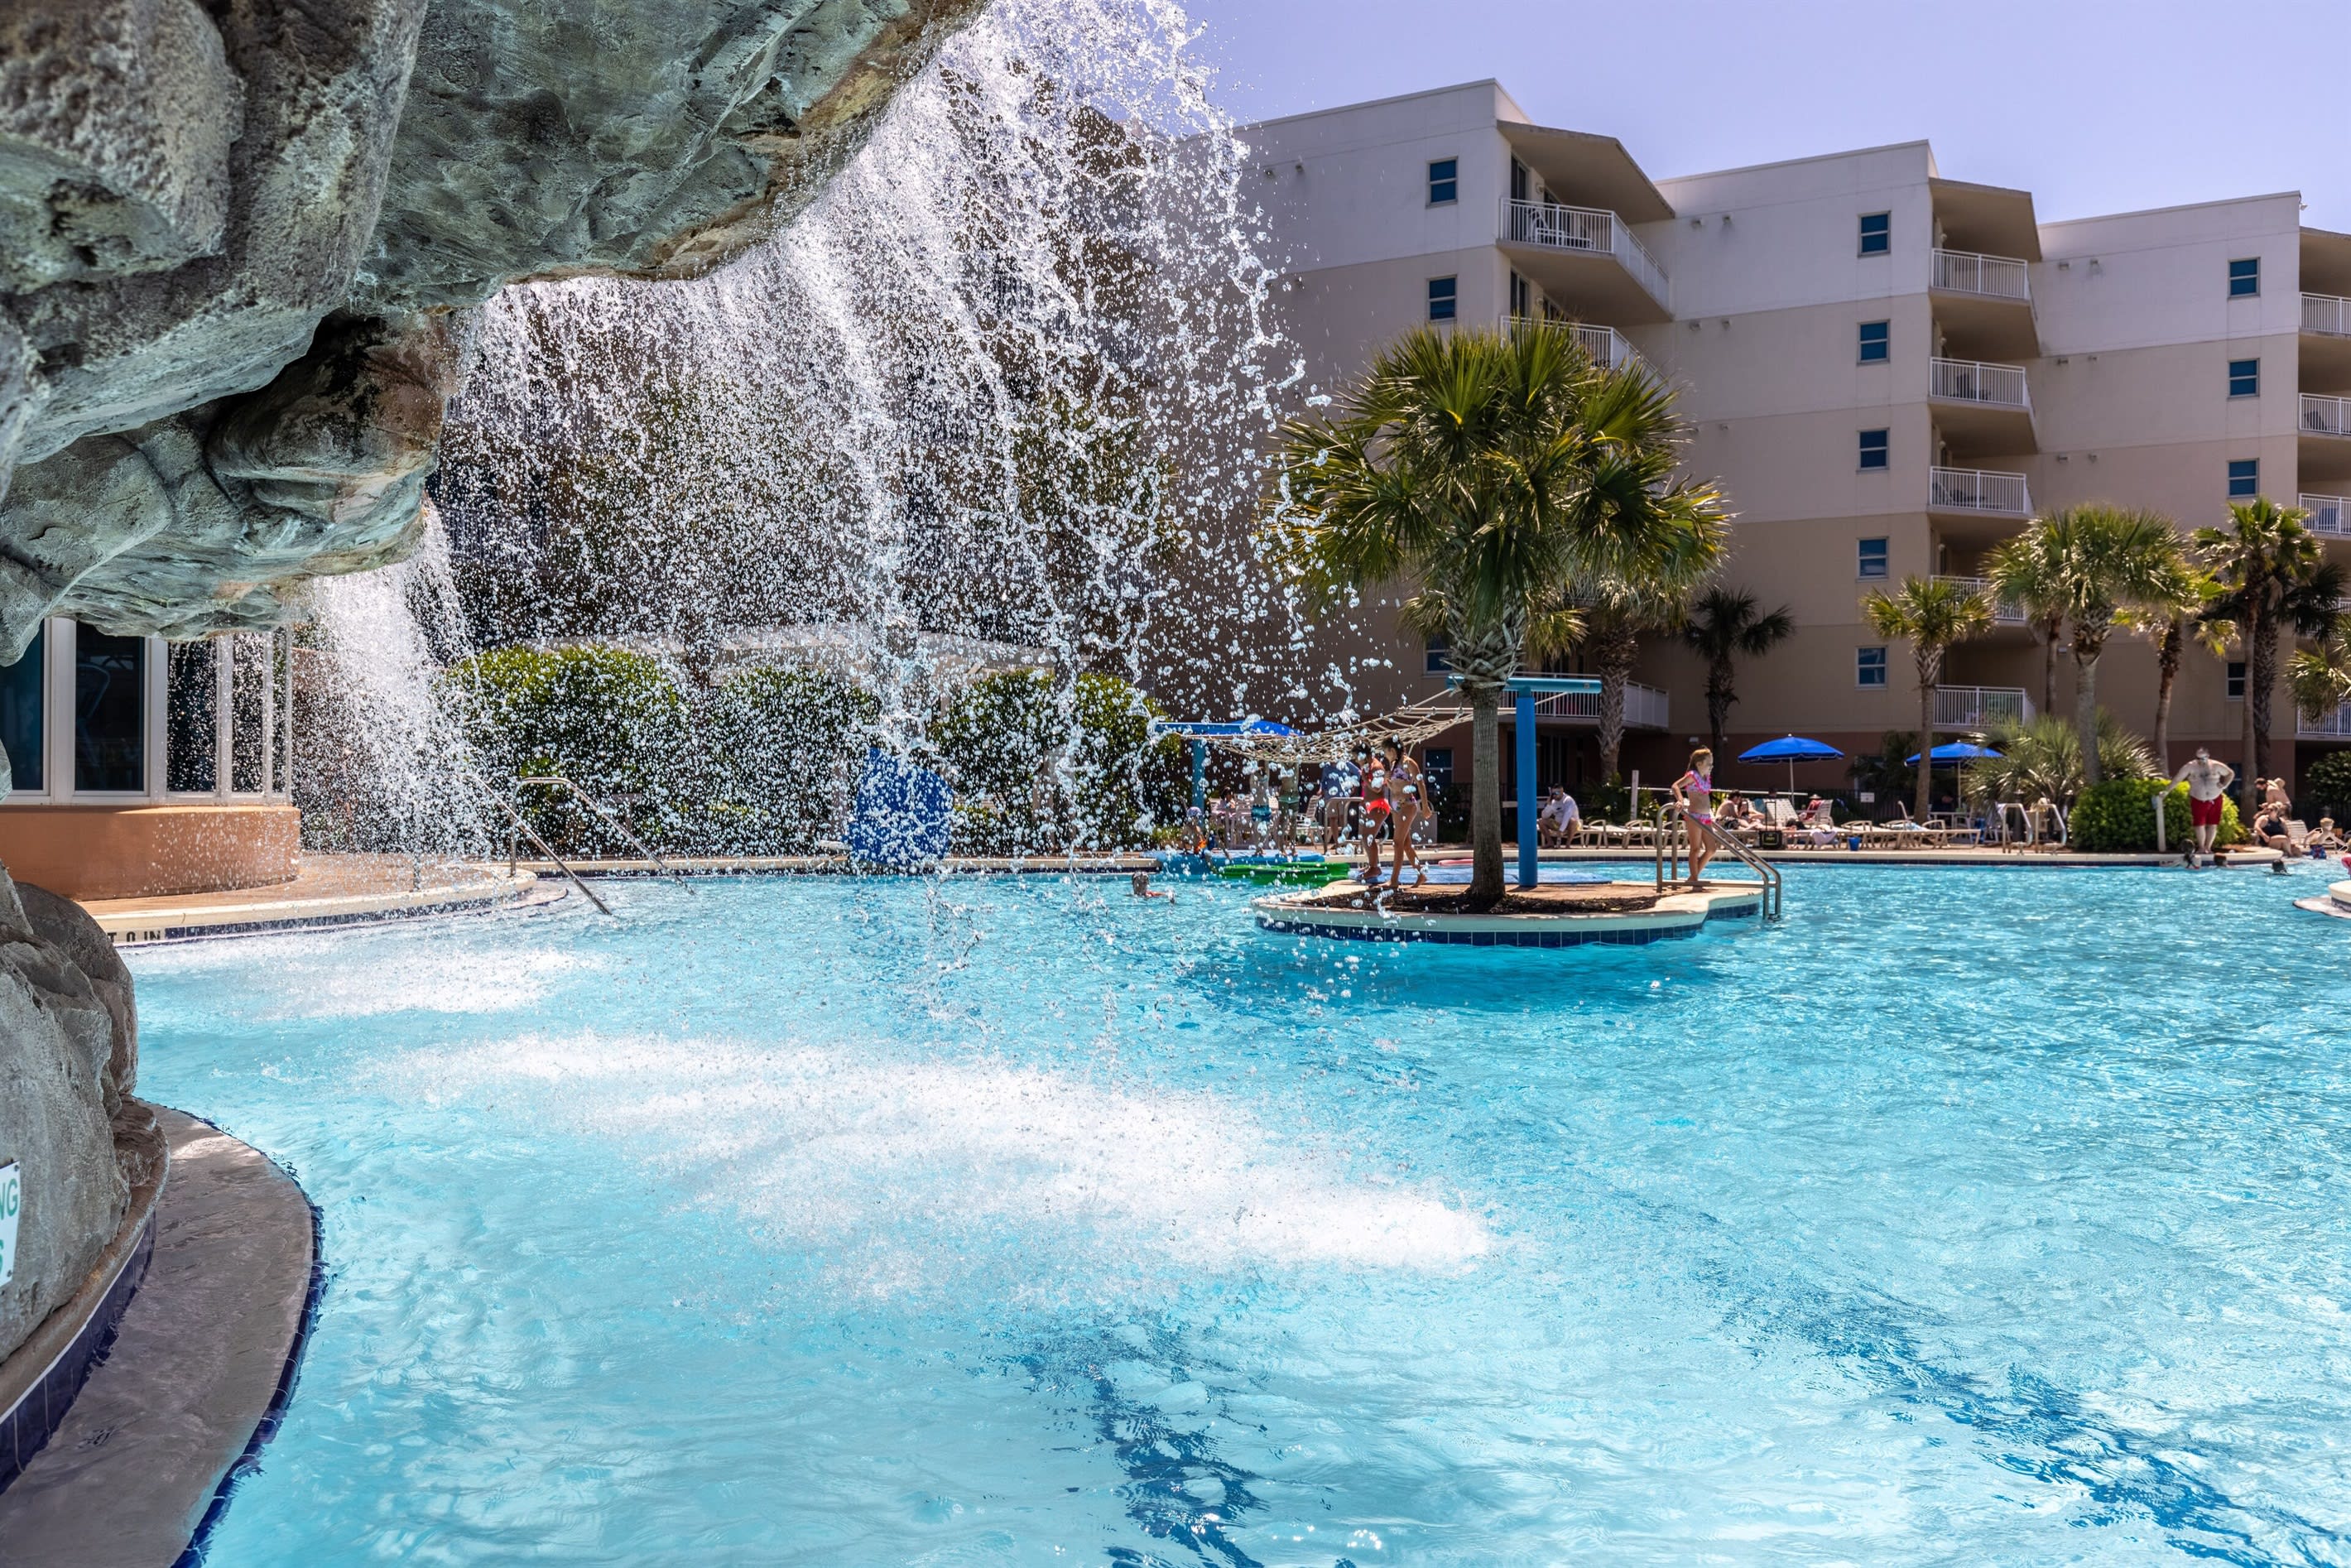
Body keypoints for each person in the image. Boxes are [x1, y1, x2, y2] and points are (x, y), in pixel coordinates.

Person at [2172, 748, 2237, 864]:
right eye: (2198, 758)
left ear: (2208, 756)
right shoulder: (2190, 766)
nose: (2201, 761)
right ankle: (2202, 847)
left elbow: (2230, 773)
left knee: (2213, 824)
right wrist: (2166, 791)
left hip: (2215, 798)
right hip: (2198, 799)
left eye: (2203, 758)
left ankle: (2208, 847)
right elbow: (2177, 779)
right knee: (2199, 824)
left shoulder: (2216, 765)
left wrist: (2224, 784)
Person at [1671, 746, 1719, 888]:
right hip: (1694, 817)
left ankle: (1692, 878)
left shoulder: (1706, 777)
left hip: (1706, 817)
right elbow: (1675, 786)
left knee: (1711, 849)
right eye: (1709, 764)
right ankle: (1695, 881)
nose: (1711, 766)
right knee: (1695, 849)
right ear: (1699, 764)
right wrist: (1680, 800)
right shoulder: (1692, 775)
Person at [1386, 742, 1427, 886]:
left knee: (1397, 843)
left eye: (1385, 752)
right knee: (1406, 845)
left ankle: (1394, 880)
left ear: (1391, 750)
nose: (1385, 755)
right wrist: (1387, 781)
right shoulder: (1394, 765)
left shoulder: (1409, 763)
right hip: (1397, 808)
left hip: (1407, 805)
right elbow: (1396, 788)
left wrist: (1426, 806)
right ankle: (1421, 875)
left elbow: (1421, 784)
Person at [1358, 743, 1392, 885]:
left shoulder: (1376, 766)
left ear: (1364, 755)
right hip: (1372, 806)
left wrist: (1364, 777)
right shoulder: (1369, 767)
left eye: (1357, 757)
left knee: (1368, 838)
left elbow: (1377, 789)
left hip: (1379, 806)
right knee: (1366, 837)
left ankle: (1375, 868)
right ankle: (1372, 865)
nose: (1357, 761)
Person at [1320, 752, 1361, 853]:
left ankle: (1345, 843)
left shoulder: (1345, 764)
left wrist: (1353, 785)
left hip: (1343, 796)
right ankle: (1338, 844)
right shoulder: (1327, 767)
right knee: (1333, 819)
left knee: (1343, 819)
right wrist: (1321, 790)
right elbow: (1323, 781)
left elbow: (1358, 772)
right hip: (1331, 798)